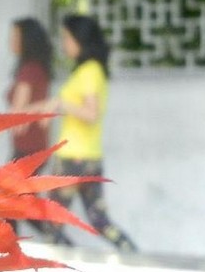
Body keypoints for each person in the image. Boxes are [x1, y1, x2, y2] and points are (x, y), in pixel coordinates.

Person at [41, 14, 137, 251]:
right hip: (88, 158)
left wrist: (62, 105)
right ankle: (132, 255)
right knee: (99, 221)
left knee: (52, 224)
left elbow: (91, 114)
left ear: (79, 38)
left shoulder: (89, 71)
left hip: (74, 159)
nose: (64, 43)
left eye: (66, 37)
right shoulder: (88, 70)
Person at [6, 18, 53, 235]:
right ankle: (54, 235)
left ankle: (54, 235)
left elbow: (17, 116)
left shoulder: (28, 71)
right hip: (35, 146)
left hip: (27, 148)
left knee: (8, 199)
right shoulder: (36, 68)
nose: (11, 41)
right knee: (16, 200)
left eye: (15, 37)